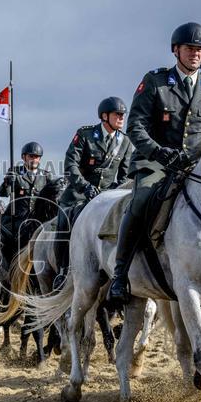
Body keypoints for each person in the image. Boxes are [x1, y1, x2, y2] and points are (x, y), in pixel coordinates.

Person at [108, 22, 201, 303]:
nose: (195, 54)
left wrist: (198, 156)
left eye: (199, 49)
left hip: (196, 164)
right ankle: (120, 274)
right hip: (155, 163)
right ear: (176, 50)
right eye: (190, 48)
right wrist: (159, 152)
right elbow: (136, 126)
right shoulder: (155, 82)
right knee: (141, 200)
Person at [54, 97, 134, 286]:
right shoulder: (86, 135)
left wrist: (115, 191)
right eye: (117, 114)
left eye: (123, 115)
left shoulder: (125, 142)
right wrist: (85, 187)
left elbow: (125, 175)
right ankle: (63, 270)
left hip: (105, 198)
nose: (121, 118)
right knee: (65, 223)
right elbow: (70, 164)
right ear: (105, 116)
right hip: (78, 196)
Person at [0, 141, 56, 264]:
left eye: (36, 157)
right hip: (17, 217)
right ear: (24, 157)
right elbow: (3, 193)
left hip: (38, 218)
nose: (34, 159)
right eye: (31, 156)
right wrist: (8, 182)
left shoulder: (46, 176)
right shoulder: (14, 172)